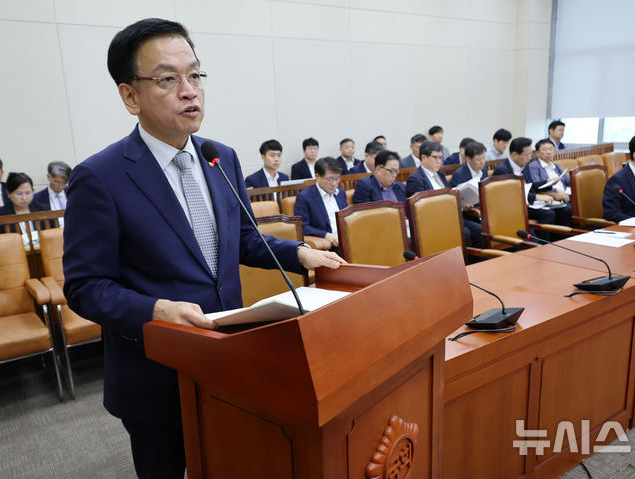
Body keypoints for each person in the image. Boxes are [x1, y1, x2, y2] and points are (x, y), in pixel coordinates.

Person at [61, 18, 342, 479]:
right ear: (130, 96)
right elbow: (86, 287)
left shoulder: (220, 156)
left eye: (195, 75)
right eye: (168, 79)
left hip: (229, 357)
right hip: (156, 372)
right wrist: (156, 309)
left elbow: (243, 239)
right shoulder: (101, 177)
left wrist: (300, 254)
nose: (189, 91)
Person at [406, 141, 479, 247]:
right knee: (465, 233)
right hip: (433, 222)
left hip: (451, 216)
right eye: (435, 157)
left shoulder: (439, 174)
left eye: (440, 158)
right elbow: (419, 209)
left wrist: (463, 206)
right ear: (424, 157)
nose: (439, 161)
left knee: (479, 230)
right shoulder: (415, 179)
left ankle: (477, 263)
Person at [493, 137, 570, 228]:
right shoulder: (502, 170)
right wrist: (536, 197)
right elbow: (510, 194)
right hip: (514, 206)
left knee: (564, 210)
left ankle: (559, 240)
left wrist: (547, 183)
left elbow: (530, 186)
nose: (530, 158)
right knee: (548, 214)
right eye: (527, 155)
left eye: (530, 154)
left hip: (529, 202)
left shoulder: (524, 165)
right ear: (514, 154)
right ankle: (542, 242)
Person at [294, 157, 347, 251]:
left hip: (347, 242)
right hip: (328, 248)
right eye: (330, 179)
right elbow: (302, 227)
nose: (334, 183)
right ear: (317, 177)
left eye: (337, 178)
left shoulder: (341, 193)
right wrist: (325, 235)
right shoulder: (305, 197)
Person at [528, 139, 571, 203]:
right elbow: (537, 186)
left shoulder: (556, 165)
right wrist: (555, 191)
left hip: (565, 194)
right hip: (551, 198)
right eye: (544, 150)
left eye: (551, 149)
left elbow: (568, 180)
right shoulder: (534, 166)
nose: (549, 152)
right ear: (537, 153)